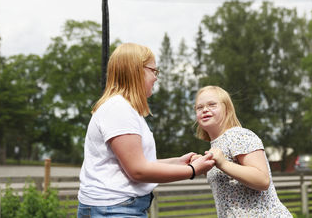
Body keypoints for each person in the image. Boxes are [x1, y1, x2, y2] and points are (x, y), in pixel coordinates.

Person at [77, 43, 215, 218]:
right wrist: (192, 170)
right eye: (153, 71)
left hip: (115, 208)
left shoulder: (125, 109)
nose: (156, 78)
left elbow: (139, 163)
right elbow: (138, 171)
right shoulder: (118, 109)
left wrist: (178, 162)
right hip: (114, 209)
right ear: (135, 71)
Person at [193, 85, 292, 217]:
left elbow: (262, 180)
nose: (205, 109)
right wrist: (203, 167)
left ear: (227, 109)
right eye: (199, 107)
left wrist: (223, 164)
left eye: (212, 105)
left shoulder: (239, 136)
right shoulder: (216, 145)